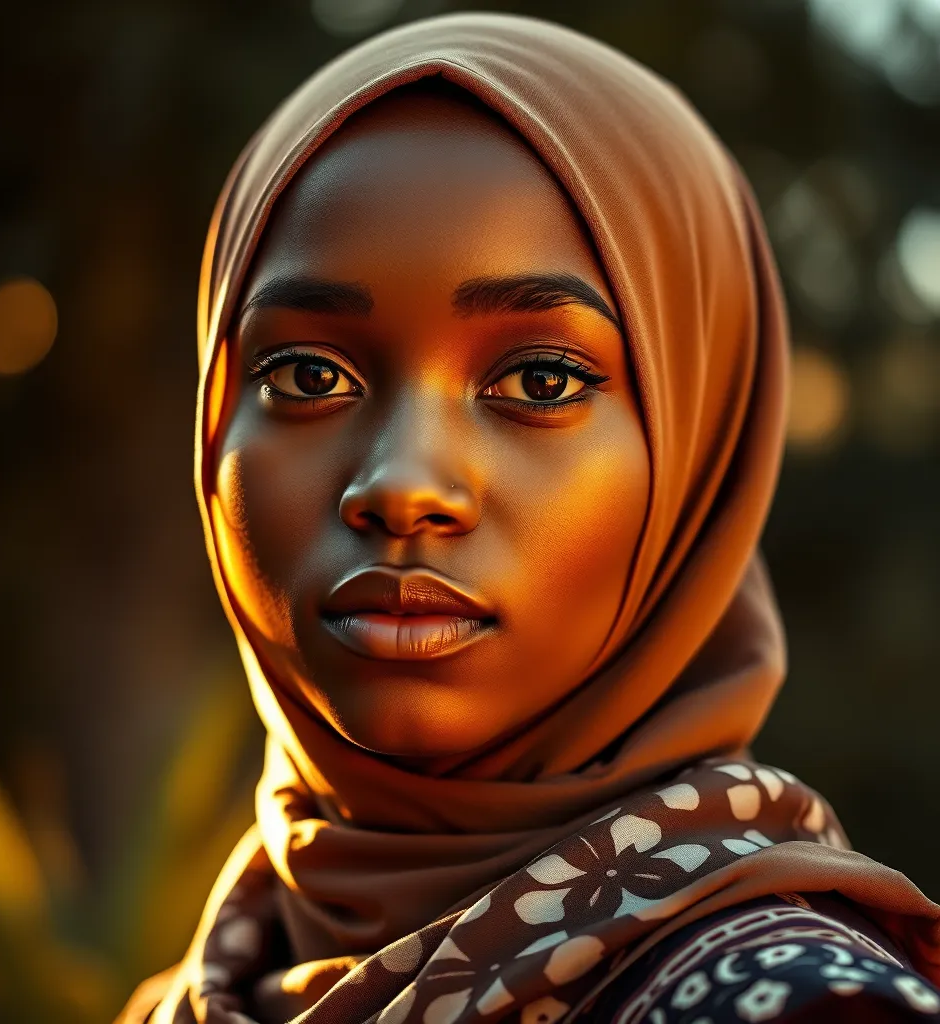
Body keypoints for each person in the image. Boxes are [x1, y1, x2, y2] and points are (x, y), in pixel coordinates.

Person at [118, 13, 940, 1024]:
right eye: (308, 374)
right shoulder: (181, 1001)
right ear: (211, 426)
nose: (403, 484)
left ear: (699, 452)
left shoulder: (803, 1010)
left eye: (541, 378)